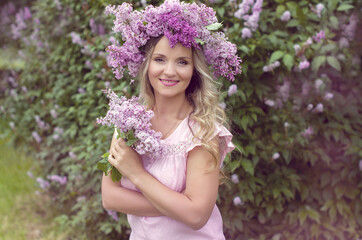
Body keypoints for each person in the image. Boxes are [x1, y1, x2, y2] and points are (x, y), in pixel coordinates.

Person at [101, 1, 241, 239]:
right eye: (160, 59)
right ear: (146, 64)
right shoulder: (129, 122)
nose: (169, 71)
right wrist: (179, 206)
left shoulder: (202, 133)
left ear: (194, 70)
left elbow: (196, 217)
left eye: (182, 62)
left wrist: (137, 174)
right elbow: (110, 197)